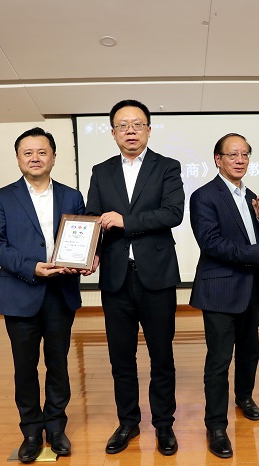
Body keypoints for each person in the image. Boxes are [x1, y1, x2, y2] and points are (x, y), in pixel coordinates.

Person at [0, 127, 94, 462]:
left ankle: (56, 428)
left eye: (42, 152)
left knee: (58, 364)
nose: (35, 158)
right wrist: (31, 267)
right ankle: (31, 432)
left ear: (54, 157)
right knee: (25, 367)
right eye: (27, 153)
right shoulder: (1, 197)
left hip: (61, 293)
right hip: (20, 293)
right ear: (18, 158)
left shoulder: (72, 196)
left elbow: (83, 235)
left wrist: (84, 259)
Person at [85, 99, 184, 456]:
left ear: (148, 130)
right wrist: (90, 251)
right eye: (123, 125)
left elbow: (173, 213)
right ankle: (127, 422)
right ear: (113, 132)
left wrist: (126, 221)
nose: (130, 131)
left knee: (162, 356)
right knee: (121, 358)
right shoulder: (101, 171)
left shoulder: (167, 167)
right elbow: (92, 217)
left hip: (156, 276)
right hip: (115, 277)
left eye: (137, 124)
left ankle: (164, 424)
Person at [189, 133, 259, 458]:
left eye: (244, 154)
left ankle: (244, 397)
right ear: (218, 159)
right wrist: (255, 250)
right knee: (218, 361)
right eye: (232, 154)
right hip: (219, 290)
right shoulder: (203, 196)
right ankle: (216, 426)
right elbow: (211, 243)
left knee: (250, 352)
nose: (240, 160)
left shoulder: (253, 197)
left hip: (251, 287)